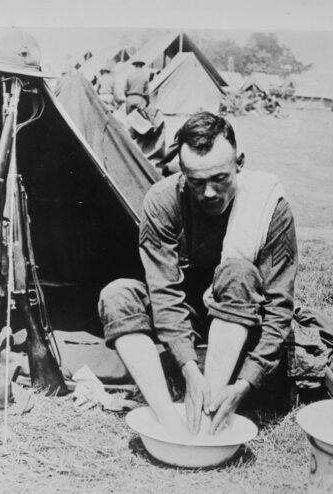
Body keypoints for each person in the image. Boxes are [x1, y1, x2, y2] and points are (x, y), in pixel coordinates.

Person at [98, 111, 296, 437]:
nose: (208, 194)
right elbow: (163, 292)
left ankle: (207, 414)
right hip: (186, 317)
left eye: (219, 178)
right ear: (182, 173)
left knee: (239, 272)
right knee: (117, 295)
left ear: (240, 163)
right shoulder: (162, 202)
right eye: (196, 182)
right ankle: (168, 422)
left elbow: (278, 307)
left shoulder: (268, 207)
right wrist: (189, 367)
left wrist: (248, 381)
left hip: (242, 317)